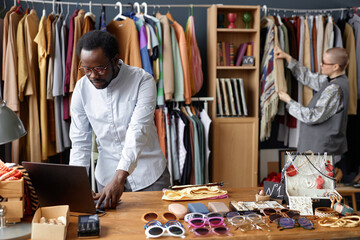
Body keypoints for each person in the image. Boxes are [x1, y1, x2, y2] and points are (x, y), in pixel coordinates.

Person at [69, 30, 170, 209]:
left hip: (149, 176)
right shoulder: (81, 88)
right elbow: (80, 142)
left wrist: (119, 179)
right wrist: (77, 186)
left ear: (115, 60)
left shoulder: (143, 81)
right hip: (105, 178)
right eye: (87, 69)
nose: (93, 76)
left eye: (99, 68)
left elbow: (138, 130)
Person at [274, 46, 349, 160]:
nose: (320, 64)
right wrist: (288, 58)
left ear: (335, 66)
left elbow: (312, 117)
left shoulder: (334, 89)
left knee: (315, 178)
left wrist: (289, 101)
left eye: (324, 62)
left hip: (321, 149)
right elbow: (309, 78)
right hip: (321, 147)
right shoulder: (335, 81)